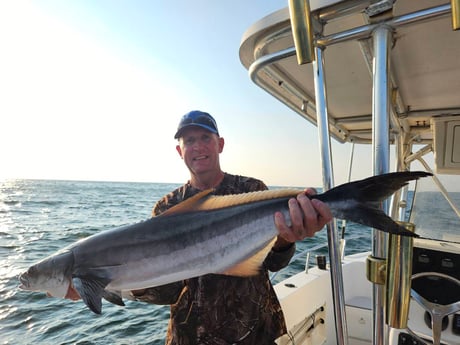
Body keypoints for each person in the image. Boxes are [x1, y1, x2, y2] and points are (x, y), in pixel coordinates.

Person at [131, 110, 332, 345]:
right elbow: (169, 292)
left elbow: (274, 263)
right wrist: (126, 280)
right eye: (189, 141)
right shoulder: (167, 208)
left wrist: (286, 241)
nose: (198, 147)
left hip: (256, 331)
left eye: (206, 137)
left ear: (220, 144)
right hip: (191, 337)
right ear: (179, 150)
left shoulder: (252, 191)